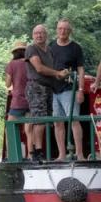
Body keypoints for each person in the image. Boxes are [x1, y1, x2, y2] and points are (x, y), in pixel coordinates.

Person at [24, 24, 70, 161]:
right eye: (36, 33)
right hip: (36, 87)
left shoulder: (49, 50)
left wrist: (63, 74)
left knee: (47, 120)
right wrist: (57, 73)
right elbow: (39, 68)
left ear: (46, 35)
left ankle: (42, 151)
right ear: (33, 36)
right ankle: (36, 152)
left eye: (41, 33)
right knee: (40, 120)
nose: (39, 35)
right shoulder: (31, 49)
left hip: (49, 88)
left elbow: (53, 70)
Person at [49, 18, 86, 161]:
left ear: (70, 31)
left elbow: (81, 70)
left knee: (74, 120)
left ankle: (80, 154)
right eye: (60, 28)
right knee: (58, 122)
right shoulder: (51, 46)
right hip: (54, 90)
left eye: (65, 29)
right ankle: (62, 155)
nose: (62, 31)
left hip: (70, 89)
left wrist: (81, 89)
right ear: (56, 30)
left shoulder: (75, 48)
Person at [3, 40, 29, 158]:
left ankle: (11, 155)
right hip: (31, 100)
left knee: (10, 127)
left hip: (17, 101)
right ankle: (30, 155)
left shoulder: (11, 65)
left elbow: (8, 84)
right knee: (30, 129)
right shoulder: (31, 63)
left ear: (15, 53)